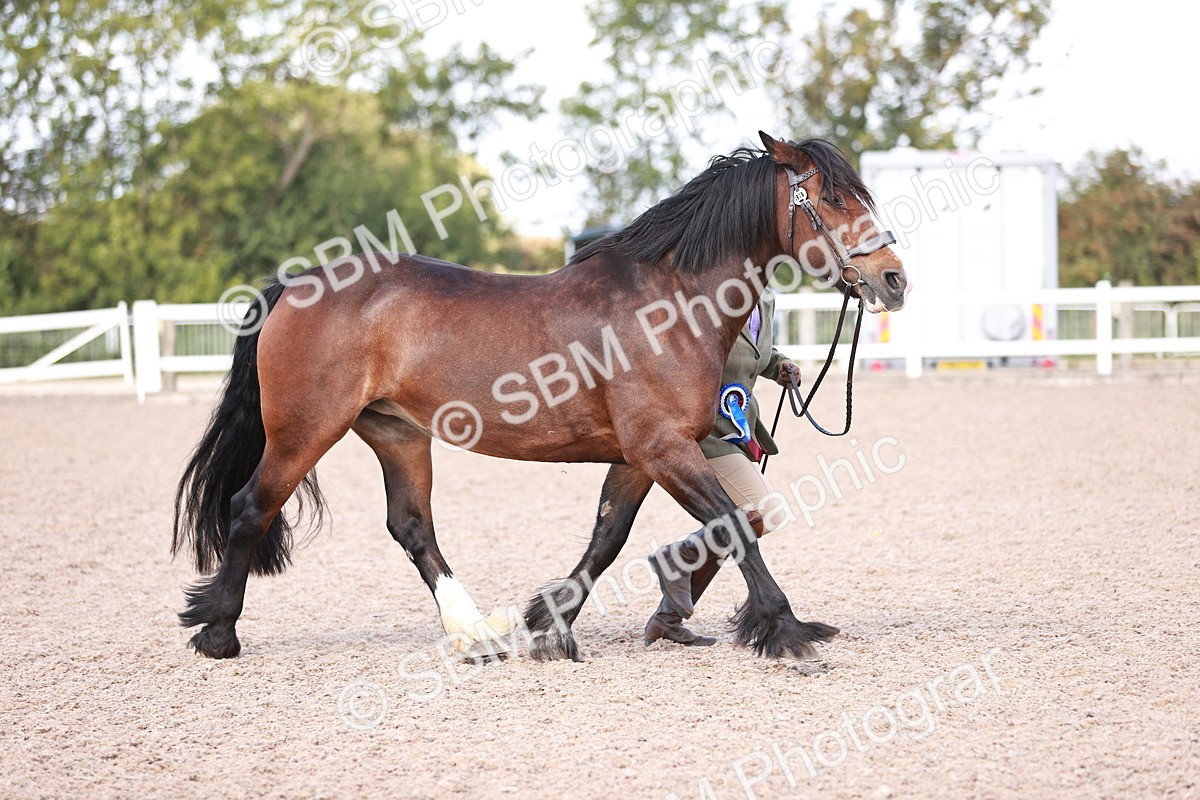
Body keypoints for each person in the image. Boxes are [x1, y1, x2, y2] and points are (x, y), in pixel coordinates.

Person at [644, 288, 801, 646]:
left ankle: (668, 619)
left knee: (731, 523)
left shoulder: (766, 298)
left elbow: (756, 354)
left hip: (739, 429)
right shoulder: (710, 298)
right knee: (762, 513)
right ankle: (678, 555)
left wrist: (779, 367)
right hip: (705, 431)